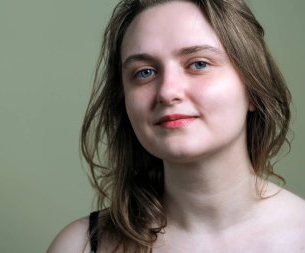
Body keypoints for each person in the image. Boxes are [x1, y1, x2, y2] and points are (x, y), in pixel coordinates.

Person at [48, 0, 305, 252]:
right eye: (145, 72)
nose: (167, 92)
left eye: (199, 64)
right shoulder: (77, 247)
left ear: (252, 88)